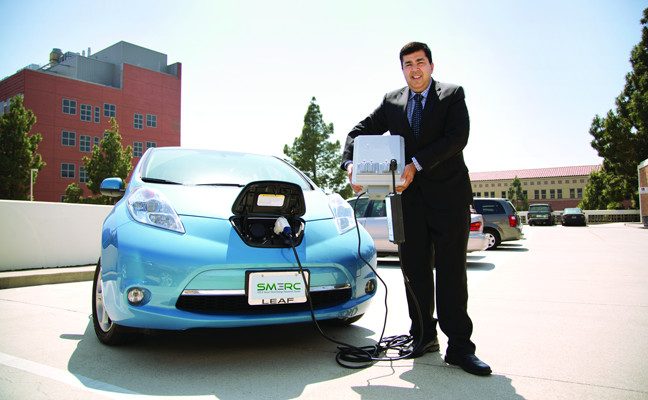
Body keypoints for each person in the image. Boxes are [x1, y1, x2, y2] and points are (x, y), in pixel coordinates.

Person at [341, 42, 491, 376]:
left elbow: (457, 137)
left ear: (432, 66)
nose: (415, 69)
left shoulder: (452, 95)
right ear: (403, 70)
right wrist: (351, 162)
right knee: (414, 271)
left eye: (420, 62)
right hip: (407, 202)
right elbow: (358, 131)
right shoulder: (392, 102)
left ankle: (460, 348)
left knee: (451, 272)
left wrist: (416, 164)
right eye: (408, 64)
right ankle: (423, 337)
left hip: (449, 198)